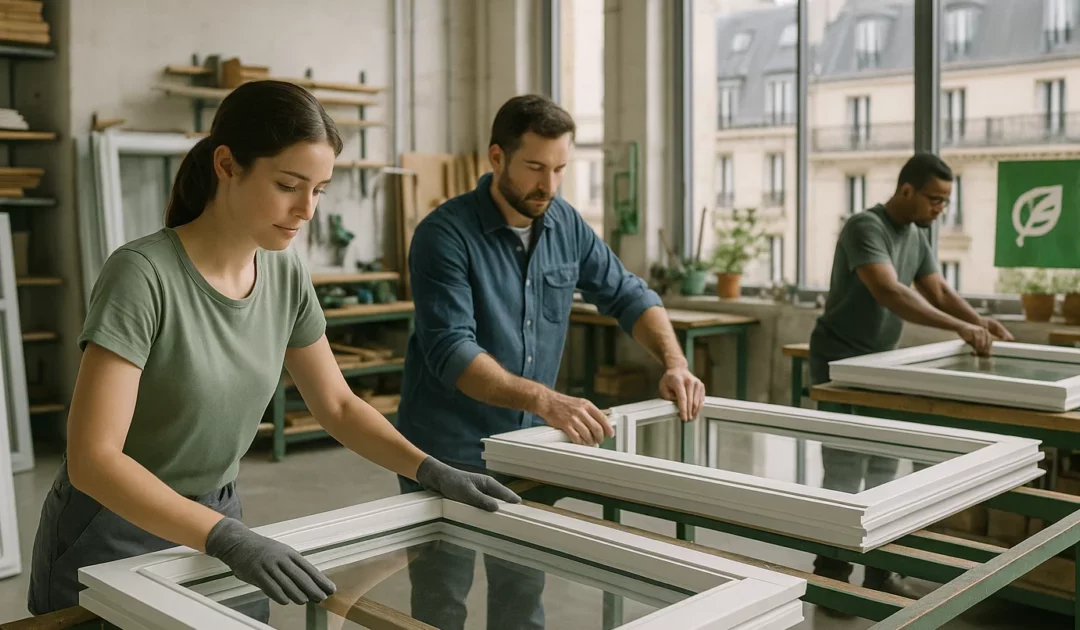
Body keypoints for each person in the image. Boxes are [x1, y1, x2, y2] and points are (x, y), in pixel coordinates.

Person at [27, 80, 519, 621]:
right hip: (112, 526)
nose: (306, 209)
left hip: (217, 513)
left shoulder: (284, 273)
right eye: (289, 184)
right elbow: (94, 460)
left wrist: (429, 469)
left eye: (320, 190)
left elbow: (336, 404)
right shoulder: (142, 275)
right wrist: (227, 540)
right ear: (227, 165)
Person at [397, 94, 706, 629]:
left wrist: (674, 361)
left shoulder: (565, 224)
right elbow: (453, 353)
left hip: (526, 450)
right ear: (496, 158)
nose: (549, 184)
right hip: (444, 448)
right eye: (535, 167)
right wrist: (544, 398)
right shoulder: (442, 236)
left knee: (522, 589)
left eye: (560, 168)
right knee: (441, 597)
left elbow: (629, 295)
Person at [809, 153, 1013, 604]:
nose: (941, 209)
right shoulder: (866, 226)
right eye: (935, 200)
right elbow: (889, 290)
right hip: (840, 358)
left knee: (885, 466)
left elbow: (936, 289)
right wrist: (958, 328)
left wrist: (981, 321)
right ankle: (831, 575)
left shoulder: (917, 235)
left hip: (882, 362)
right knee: (845, 467)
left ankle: (880, 573)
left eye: (945, 202)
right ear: (907, 190)